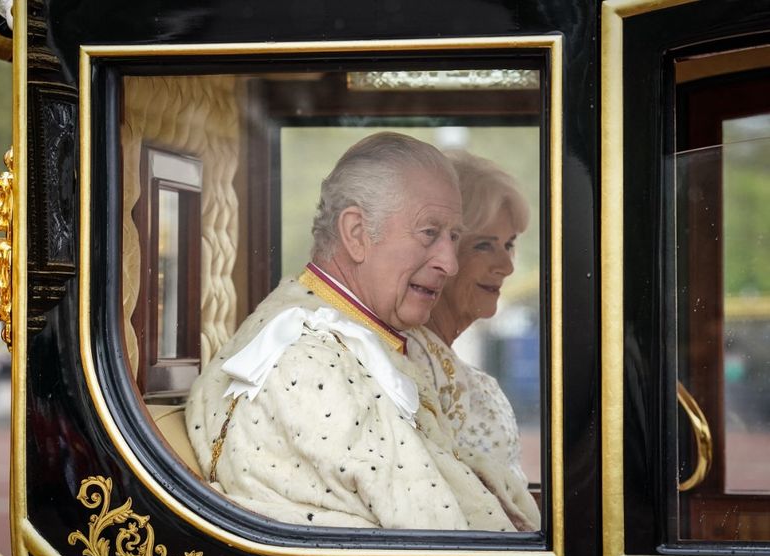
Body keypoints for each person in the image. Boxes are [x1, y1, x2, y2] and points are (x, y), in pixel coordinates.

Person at [185, 132, 522, 531]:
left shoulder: (351, 339)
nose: (449, 264)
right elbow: (437, 541)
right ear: (357, 233)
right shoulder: (307, 365)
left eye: (453, 237)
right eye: (429, 234)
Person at [406, 149, 541, 529]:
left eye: (509, 244)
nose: (507, 266)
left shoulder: (455, 372)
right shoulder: (402, 363)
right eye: (484, 245)